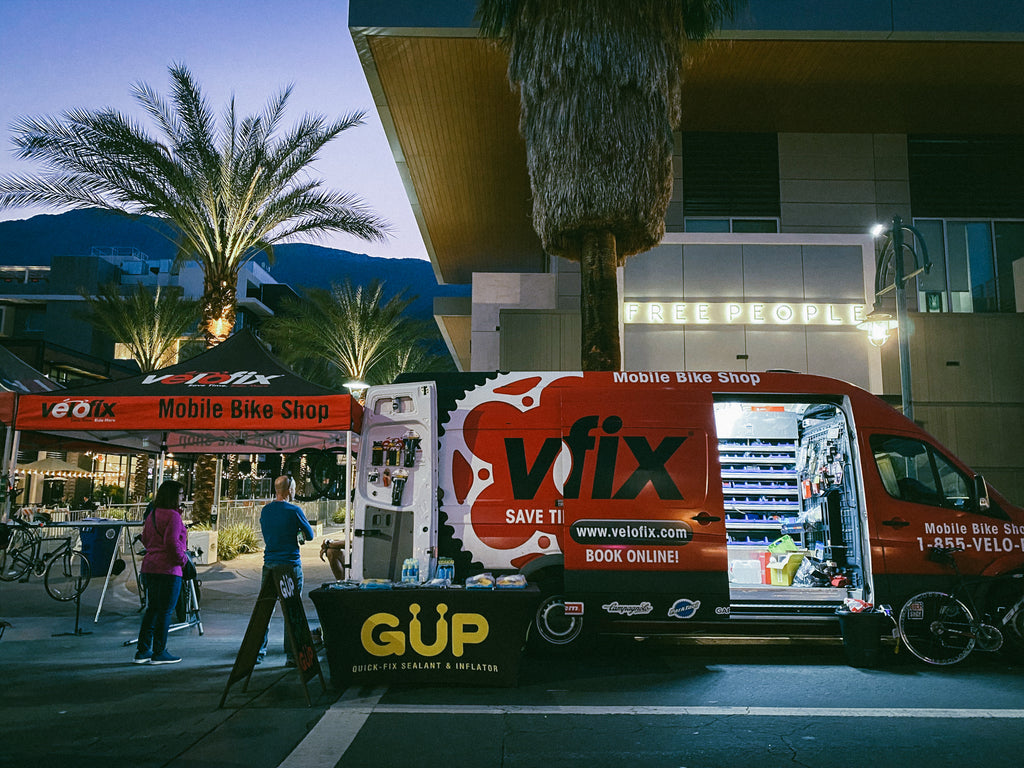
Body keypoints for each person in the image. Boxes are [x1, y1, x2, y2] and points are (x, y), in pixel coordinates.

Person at [259, 475, 314, 665]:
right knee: (291, 610)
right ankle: (292, 656)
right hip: (290, 565)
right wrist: (298, 531)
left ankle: (258, 652)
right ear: (289, 489)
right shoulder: (294, 511)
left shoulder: (266, 511)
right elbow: (310, 534)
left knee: (265, 610)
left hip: (269, 563)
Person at [133, 480, 187, 665]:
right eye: (180, 494)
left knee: (152, 609)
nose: (182, 497)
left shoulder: (153, 514)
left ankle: (143, 650)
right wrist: (183, 559)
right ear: (173, 496)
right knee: (165, 611)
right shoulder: (173, 516)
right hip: (168, 569)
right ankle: (159, 651)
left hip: (150, 567)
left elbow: (146, 539)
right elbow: (172, 543)